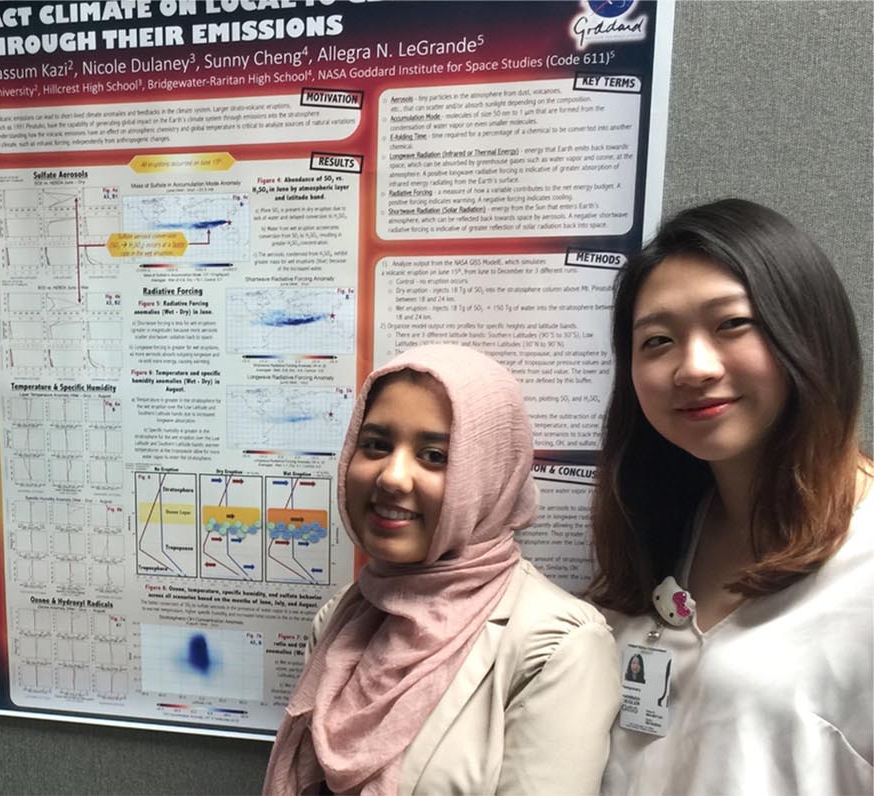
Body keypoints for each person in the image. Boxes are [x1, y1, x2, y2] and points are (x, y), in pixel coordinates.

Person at [589, 198, 873, 794]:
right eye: (658, 341)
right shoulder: (657, 529)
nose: (692, 368)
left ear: (809, 332)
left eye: (731, 324)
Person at [265, 344, 620, 795]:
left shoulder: (556, 647)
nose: (392, 477)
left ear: (491, 476)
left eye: (434, 455)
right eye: (375, 445)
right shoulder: (344, 618)